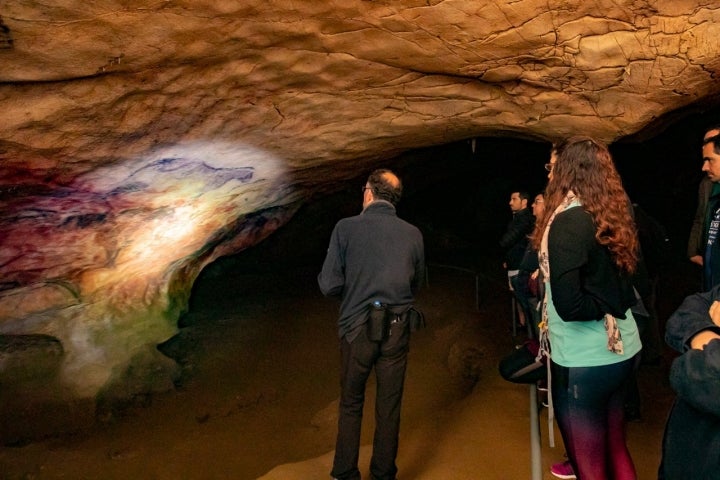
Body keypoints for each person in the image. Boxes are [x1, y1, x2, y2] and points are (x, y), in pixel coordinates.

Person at [531, 137, 643, 480]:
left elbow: (570, 307)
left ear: (567, 171)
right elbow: (623, 278)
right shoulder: (612, 214)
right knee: (616, 447)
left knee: (589, 465)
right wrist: (615, 299)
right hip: (625, 349)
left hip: (587, 359)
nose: (549, 176)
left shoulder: (567, 222)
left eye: (553, 168)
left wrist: (609, 300)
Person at [318, 168, 425, 480]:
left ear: (368, 193)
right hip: (398, 328)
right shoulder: (413, 234)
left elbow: (329, 284)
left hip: (357, 329)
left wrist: (355, 289)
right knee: (389, 407)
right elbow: (416, 282)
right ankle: (382, 474)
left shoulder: (346, 228)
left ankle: (346, 472)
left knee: (351, 402)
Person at [659, 285, 720, 479]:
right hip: (687, 453)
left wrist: (703, 355)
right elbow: (694, 304)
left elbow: (705, 374)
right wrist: (705, 335)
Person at [687, 124, 720, 289]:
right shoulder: (708, 188)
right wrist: (694, 251)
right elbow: (700, 218)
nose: (704, 167)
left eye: (710, 160)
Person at [510, 192, 545, 336]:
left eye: (537, 202)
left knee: (538, 321)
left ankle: (539, 349)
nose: (533, 205)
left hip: (535, 285)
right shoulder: (537, 226)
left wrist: (539, 269)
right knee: (531, 317)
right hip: (526, 281)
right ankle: (533, 345)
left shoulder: (551, 228)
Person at [500, 190, 535, 327]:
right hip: (513, 265)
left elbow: (508, 240)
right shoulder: (517, 218)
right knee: (519, 300)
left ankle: (531, 335)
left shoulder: (525, 219)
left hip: (520, 267)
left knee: (525, 303)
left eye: (514, 199)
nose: (510, 202)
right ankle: (523, 325)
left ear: (524, 201)